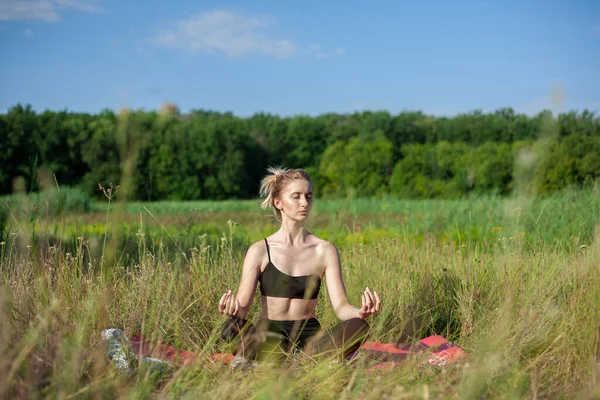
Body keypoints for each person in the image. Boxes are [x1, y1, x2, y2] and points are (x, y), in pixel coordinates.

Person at [217, 167, 381, 367]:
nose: (304, 203)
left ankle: (288, 360)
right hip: (270, 334)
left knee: (359, 326)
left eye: (309, 196)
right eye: (296, 197)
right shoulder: (259, 250)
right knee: (231, 327)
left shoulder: (325, 250)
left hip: (310, 337)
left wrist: (359, 312)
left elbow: (341, 307)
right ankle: (282, 359)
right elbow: (242, 308)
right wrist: (231, 310)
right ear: (278, 203)